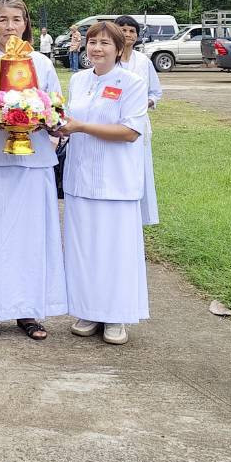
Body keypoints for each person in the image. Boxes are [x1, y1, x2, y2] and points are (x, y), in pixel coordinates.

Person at [0, 0, 66, 340]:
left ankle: (28, 311)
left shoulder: (41, 63)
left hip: (33, 163)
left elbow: (57, 107)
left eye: (16, 20)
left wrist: (46, 119)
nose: (9, 27)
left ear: (26, 23)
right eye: (2, 20)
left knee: (31, 239)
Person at [59, 20, 150, 345]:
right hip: (80, 179)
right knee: (84, 249)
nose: (97, 48)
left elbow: (130, 132)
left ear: (119, 48)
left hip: (116, 182)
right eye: (92, 42)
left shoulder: (132, 83)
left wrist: (81, 127)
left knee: (115, 251)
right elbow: (68, 119)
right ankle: (88, 310)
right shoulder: (79, 80)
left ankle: (115, 316)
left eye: (105, 43)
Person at [113, 16, 162, 226]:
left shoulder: (143, 62)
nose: (127, 34)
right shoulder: (109, 60)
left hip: (138, 124)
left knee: (138, 169)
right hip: (111, 124)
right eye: (123, 30)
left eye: (132, 31)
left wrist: (144, 103)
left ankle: (138, 218)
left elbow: (155, 92)